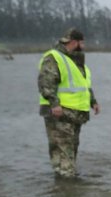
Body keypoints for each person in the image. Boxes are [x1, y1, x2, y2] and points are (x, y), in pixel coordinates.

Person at [38, 28, 100, 178]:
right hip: (59, 113)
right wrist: (55, 104)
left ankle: (64, 185)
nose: (84, 46)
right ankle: (67, 183)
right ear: (74, 42)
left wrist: (93, 101)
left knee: (71, 148)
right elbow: (46, 83)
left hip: (75, 113)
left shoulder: (77, 62)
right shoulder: (54, 57)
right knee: (63, 148)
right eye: (82, 42)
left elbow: (85, 85)